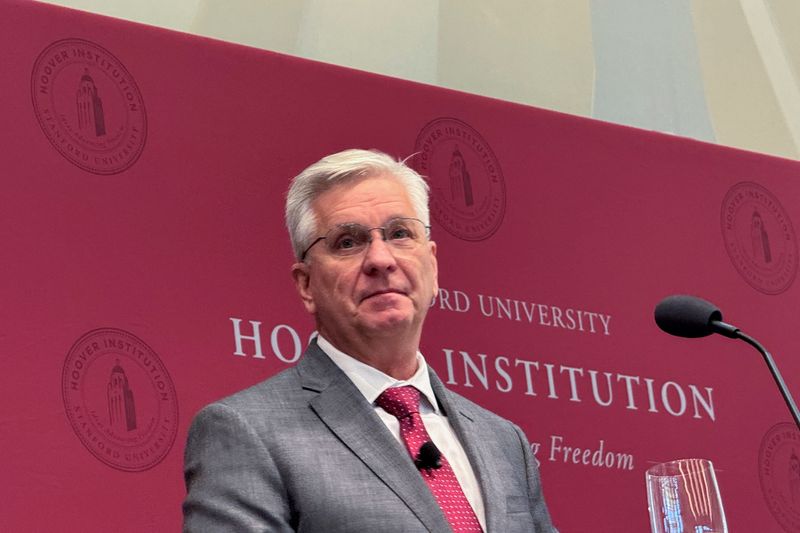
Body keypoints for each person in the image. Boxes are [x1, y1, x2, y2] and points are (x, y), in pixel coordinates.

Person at [183, 149, 557, 532]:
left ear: (433, 265)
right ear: (306, 284)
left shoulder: (504, 442)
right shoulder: (246, 430)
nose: (381, 259)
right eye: (348, 242)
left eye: (399, 234)